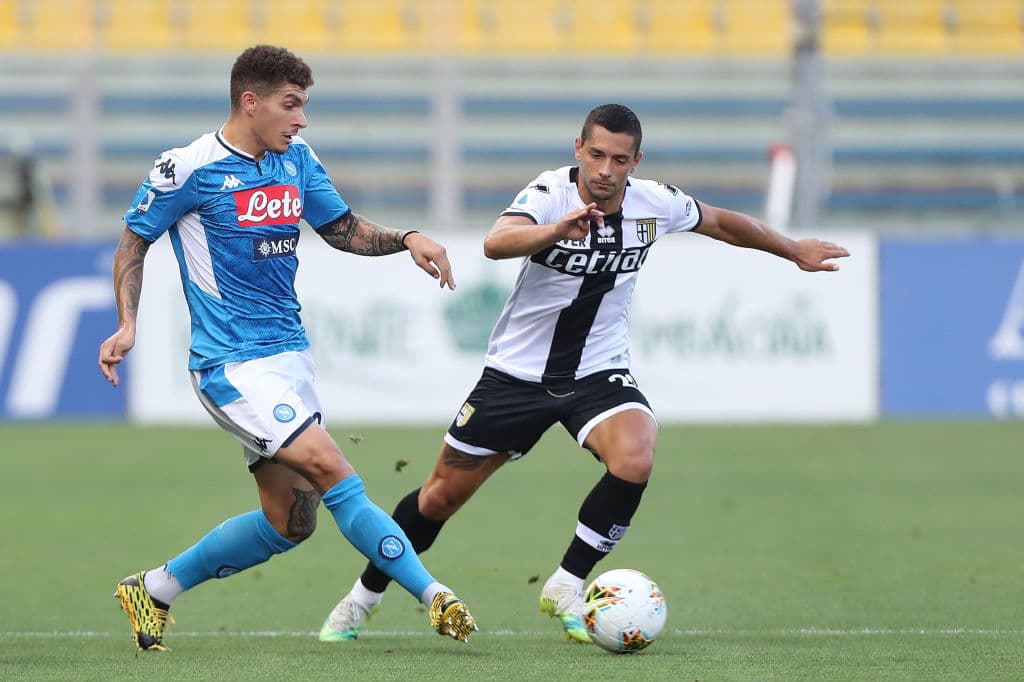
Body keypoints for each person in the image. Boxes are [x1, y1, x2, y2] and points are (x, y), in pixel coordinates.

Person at [318, 103, 850, 644]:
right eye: (596, 155)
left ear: (635, 161)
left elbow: (720, 222)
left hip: (598, 371)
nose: (605, 169)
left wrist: (792, 249)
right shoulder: (550, 194)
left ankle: (567, 584)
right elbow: (496, 242)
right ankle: (361, 600)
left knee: (636, 456)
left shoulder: (654, 202)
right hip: (515, 377)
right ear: (578, 149)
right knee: (438, 499)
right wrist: (556, 230)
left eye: (619, 160)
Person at [97, 45, 477, 652]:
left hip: (289, 358)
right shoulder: (188, 167)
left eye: (303, 106)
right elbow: (133, 243)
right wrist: (127, 323)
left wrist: (408, 239)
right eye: (290, 105)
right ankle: (433, 595)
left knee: (290, 522)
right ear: (251, 102)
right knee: (333, 469)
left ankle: (156, 588)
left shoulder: (295, 160)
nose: (301, 120)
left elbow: (344, 230)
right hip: (231, 363)